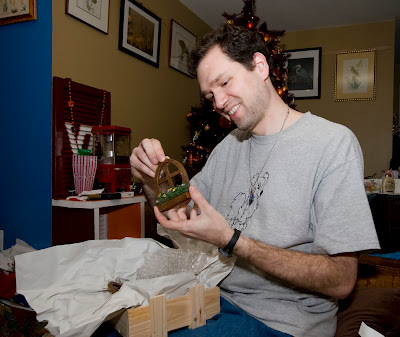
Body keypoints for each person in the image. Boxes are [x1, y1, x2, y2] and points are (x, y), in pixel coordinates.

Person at [130, 24, 380, 337]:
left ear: (259, 66)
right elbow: (179, 219)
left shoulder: (333, 144)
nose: (218, 102)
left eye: (224, 82)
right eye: (210, 95)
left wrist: (231, 239)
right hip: (214, 303)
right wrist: (150, 181)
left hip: (282, 324)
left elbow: (342, 280)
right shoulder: (227, 147)